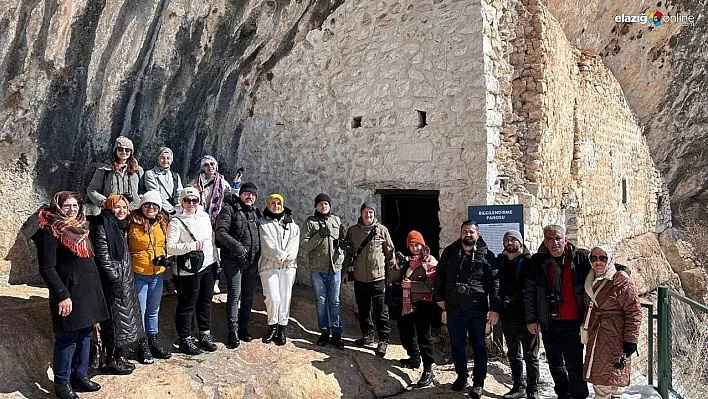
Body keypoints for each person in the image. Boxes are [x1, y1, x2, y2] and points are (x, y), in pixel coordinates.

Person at [524, 225, 630, 399]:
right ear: (545, 241)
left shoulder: (580, 257)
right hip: (549, 321)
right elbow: (529, 291)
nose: (554, 243)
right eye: (549, 239)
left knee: (573, 364)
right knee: (555, 362)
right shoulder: (537, 261)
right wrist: (531, 319)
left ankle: (579, 395)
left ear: (565, 240)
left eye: (558, 238)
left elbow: (606, 263)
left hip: (574, 322)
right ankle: (563, 394)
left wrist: (623, 272)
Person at [32, 191, 109, 399]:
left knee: (85, 335)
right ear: (57, 206)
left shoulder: (82, 227)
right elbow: (47, 268)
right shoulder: (49, 231)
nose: (72, 209)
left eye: (75, 205)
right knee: (67, 338)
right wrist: (61, 295)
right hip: (69, 292)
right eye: (67, 205)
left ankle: (80, 376)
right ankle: (62, 383)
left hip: (88, 291)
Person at [434, 220, 499, 398]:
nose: (467, 234)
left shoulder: (487, 255)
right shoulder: (450, 252)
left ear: (477, 234)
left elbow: (494, 284)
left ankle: (478, 383)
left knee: (479, 347)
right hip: (455, 309)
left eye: (471, 232)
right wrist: (439, 297)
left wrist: (494, 308)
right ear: (460, 233)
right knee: (457, 345)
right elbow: (440, 275)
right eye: (465, 231)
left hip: (477, 311)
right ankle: (461, 377)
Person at [90, 194, 144, 375]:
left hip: (123, 279)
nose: (121, 211)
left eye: (124, 208)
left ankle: (119, 355)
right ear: (109, 207)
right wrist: (115, 280)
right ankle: (110, 360)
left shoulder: (118, 225)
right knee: (113, 322)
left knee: (123, 321)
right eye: (117, 207)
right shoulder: (102, 225)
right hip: (112, 282)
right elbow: (103, 257)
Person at [582, 245, 641, 399]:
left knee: (609, 379)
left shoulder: (621, 281)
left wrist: (631, 339)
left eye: (603, 258)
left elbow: (634, 311)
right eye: (594, 258)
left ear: (610, 260)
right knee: (606, 378)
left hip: (616, 336)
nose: (598, 262)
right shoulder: (589, 277)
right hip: (596, 334)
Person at [167, 187, 218, 355]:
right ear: (182, 202)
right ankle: (185, 338)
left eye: (194, 200)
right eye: (187, 200)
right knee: (187, 305)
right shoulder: (176, 221)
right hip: (188, 269)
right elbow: (170, 247)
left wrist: (215, 260)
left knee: (205, 301)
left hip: (207, 265)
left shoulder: (204, 216)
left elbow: (210, 241)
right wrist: (191, 246)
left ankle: (205, 334)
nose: (191, 204)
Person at [342, 201, 395, 357]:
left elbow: (390, 253)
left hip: (378, 278)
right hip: (360, 279)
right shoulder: (352, 231)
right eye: (365, 212)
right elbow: (349, 254)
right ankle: (368, 336)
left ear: (374, 214)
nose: (368, 215)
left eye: (371, 212)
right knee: (364, 310)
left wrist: (391, 275)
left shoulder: (382, 230)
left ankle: (383, 340)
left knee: (381, 312)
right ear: (361, 214)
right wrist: (345, 271)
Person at [215, 182, 261, 348]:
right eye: (247, 194)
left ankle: (243, 327)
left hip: (251, 261)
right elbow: (220, 232)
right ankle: (232, 331)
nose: (250, 197)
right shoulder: (229, 209)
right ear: (241, 194)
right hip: (233, 260)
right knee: (235, 294)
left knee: (248, 296)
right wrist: (238, 248)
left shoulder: (255, 212)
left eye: (253, 195)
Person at [127, 190, 172, 364]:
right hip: (139, 273)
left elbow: (166, 244)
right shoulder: (132, 222)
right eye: (147, 204)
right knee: (141, 310)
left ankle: (153, 340)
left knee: (153, 310)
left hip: (157, 273)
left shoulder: (162, 223)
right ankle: (142, 344)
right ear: (141, 206)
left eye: (154, 205)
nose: (150, 208)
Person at [389, 230, 438, 388]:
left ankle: (428, 368)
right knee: (406, 332)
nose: (414, 248)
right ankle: (414, 358)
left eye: (417, 244)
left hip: (423, 303)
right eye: (411, 245)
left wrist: (412, 285)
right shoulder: (407, 261)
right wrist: (397, 265)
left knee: (424, 337)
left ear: (422, 245)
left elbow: (431, 286)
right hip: (406, 303)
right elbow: (395, 279)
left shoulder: (430, 261)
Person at [496, 230, 539, 399]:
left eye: (513, 239)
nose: (509, 242)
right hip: (508, 316)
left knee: (531, 355)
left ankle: (532, 390)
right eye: (507, 239)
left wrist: (534, 317)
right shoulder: (501, 261)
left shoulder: (530, 262)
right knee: (513, 353)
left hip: (527, 316)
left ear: (520, 242)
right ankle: (518, 386)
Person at [300, 193, 345, 349]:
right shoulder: (310, 223)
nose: (323, 206)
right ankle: (324, 332)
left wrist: (342, 247)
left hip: (335, 268)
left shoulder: (336, 220)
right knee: (321, 301)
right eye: (320, 204)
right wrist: (319, 236)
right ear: (316, 207)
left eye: (326, 204)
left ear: (330, 206)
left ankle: (337, 333)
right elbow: (304, 246)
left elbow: (342, 241)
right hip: (317, 269)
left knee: (335, 301)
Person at [258, 194, 300, 346]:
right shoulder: (263, 223)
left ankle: (282, 326)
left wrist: (289, 256)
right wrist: (281, 256)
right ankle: (272, 324)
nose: (276, 206)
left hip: (288, 266)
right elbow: (267, 244)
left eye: (278, 203)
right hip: (269, 265)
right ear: (268, 205)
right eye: (273, 203)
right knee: (272, 296)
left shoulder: (292, 225)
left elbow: (295, 243)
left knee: (285, 297)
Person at [191, 156, 232, 296]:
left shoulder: (223, 182)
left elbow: (231, 197)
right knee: (205, 249)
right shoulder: (196, 182)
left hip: (217, 221)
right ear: (203, 168)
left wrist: (237, 187)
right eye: (207, 165)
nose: (210, 167)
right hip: (201, 221)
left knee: (217, 253)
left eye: (212, 164)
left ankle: (216, 281)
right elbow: (188, 196)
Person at [86, 136, 144, 215]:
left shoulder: (138, 170)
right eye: (120, 149)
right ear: (115, 151)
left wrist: (140, 200)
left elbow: (142, 189)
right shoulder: (104, 169)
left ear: (131, 152)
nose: (124, 152)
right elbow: (92, 189)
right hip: (111, 212)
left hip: (133, 212)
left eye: (127, 150)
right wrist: (104, 202)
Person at [142, 147, 183, 215]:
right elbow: (155, 193)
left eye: (168, 158)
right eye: (162, 158)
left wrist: (178, 208)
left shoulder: (176, 176)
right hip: (160, 209)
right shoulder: (150, 174)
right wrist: (170, 210)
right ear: (157, 159)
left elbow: (180, 193)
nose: (165, 160)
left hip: (176, 209)